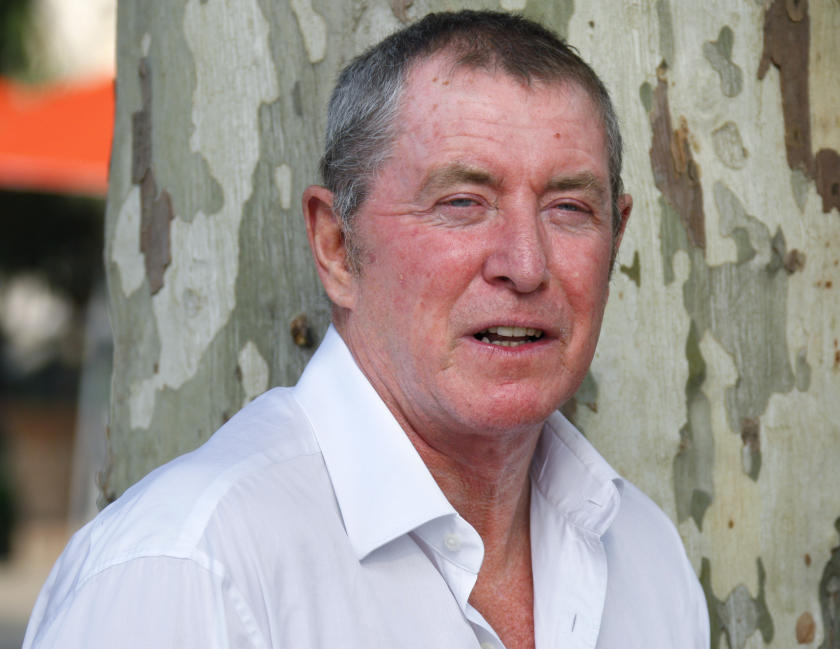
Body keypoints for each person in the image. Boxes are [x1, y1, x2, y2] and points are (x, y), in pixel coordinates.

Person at [24, 11, 709, 649]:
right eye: (463, 202)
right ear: (335, 246)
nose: (525, 265)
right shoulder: (187, 568)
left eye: (568, 207)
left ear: (616, 236)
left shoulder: (645, 553)